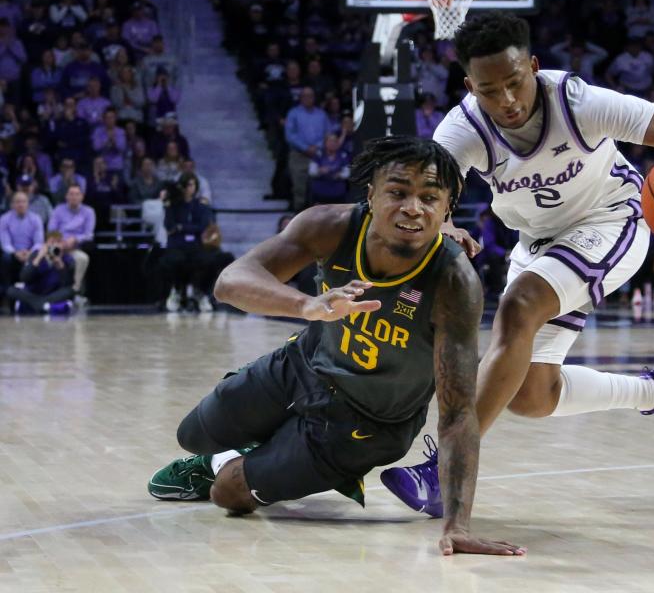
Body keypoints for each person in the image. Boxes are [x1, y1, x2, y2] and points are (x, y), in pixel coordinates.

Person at [385, 12, 654, 516]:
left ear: (533, 65)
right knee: (529, 394)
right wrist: (444, 227)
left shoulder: (579, 103)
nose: (506, 100)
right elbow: (425, 195)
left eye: (514, 83)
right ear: (469, 85)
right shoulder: (463, 129)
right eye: (490, 90)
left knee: (518, 310)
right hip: (539, 242)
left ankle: (443, 468)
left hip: (612, 218)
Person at [147, 137, 525, 557]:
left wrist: (458, 525)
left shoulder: (455, 282)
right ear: (371, 195)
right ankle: (235, 453)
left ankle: (246, 464)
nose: (413, 208)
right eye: (398, 192)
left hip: (364, 425)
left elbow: (457, 413)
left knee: (228, 494)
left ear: (447, 208)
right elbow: (229, 282)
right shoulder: (330, 226)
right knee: (192, 434)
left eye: (429, 198)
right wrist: (306, 305)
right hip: (302, 366)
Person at [158, 173, 226, 313]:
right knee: (173, 260)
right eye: (188, 184)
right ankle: (176, 291)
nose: (191, 188)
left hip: (195, 245)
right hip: (177, 245)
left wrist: (181, 227)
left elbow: (202, 226)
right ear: (182, 187)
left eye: (193, 184)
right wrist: (183, 227)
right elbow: (169, 226)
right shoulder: (173, 205)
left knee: (210, 260)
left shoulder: (200, 205)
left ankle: (200, 292)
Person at [4, 230, 75, 314]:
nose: (54, 245)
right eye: (52, 242)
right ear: (45, 244)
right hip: (33, 292)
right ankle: (43, 304)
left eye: (58, 242)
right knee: (10, 290)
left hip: (52, 294)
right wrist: (38, 259)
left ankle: (39, 303)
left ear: (62, 245)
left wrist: (60, 265)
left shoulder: (67, 259)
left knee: (71, 291)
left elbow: (67, 284)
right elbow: (24, 278)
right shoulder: (36, 255)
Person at [285, 87, 330, 211]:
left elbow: (328, 133)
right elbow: (290, 135)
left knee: (318, 185)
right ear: (300, 98)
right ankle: (297, 214)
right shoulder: (293, 113)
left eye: (310, 95)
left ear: (314, 97)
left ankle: (317, 214)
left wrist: (317, 147)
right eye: (304, 96)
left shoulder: (322, 114)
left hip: (319, 154)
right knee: (299, 186)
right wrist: (305, 148)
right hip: (298, 154)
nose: (307, 98)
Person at [47, 183, 94, 294]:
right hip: (57, 245)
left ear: (82, 196)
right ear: (66, 196)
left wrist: (75, 239)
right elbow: (51, 230)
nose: (74, 197)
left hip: (75, 248)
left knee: (83, 258)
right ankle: (50, 290)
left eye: (77, 194)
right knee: (47, 257)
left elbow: (89, 234)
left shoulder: (89, 212)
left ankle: (75, 290)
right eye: (71, 194)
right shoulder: (58, 210)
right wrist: (61, 242)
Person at [0, 191, 44, 293]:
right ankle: (7, 291)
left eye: (24, 201)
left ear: (28, 203)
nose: (21, 204)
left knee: (40, 255)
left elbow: (38, 242)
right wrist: (16, 253)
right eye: (18, 202)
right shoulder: (4, 219)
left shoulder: (36, 219)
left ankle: (36, 292)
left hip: (30, 253)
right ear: (12, 204)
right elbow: (5, 243)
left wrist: (30, 253)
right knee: (5, 257)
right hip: (12, 253)